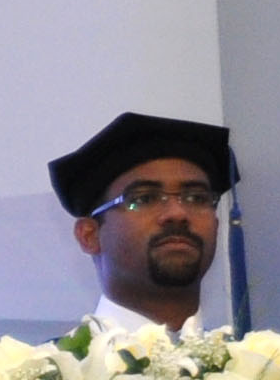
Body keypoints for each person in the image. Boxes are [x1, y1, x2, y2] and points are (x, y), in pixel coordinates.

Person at [48, 111, 235, 339]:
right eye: (144, 199)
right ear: (89, 235)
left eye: (196, 198)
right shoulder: (49, 362)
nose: (177, 213)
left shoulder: (257, 360)